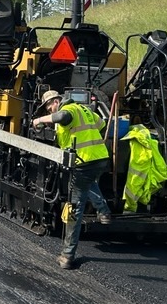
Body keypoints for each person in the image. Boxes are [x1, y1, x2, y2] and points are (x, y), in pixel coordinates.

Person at [32, 90, 112, 270]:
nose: (49, 111)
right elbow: (100, 124)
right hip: (99, 158)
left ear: (55, 102)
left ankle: (67, 255)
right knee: (88, 183)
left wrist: (38, 121)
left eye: (48, 107)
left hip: (84, 160)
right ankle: (104, 211)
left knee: (75, 207)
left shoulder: (67, 110)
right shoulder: (84, 109)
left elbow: (62, 116)